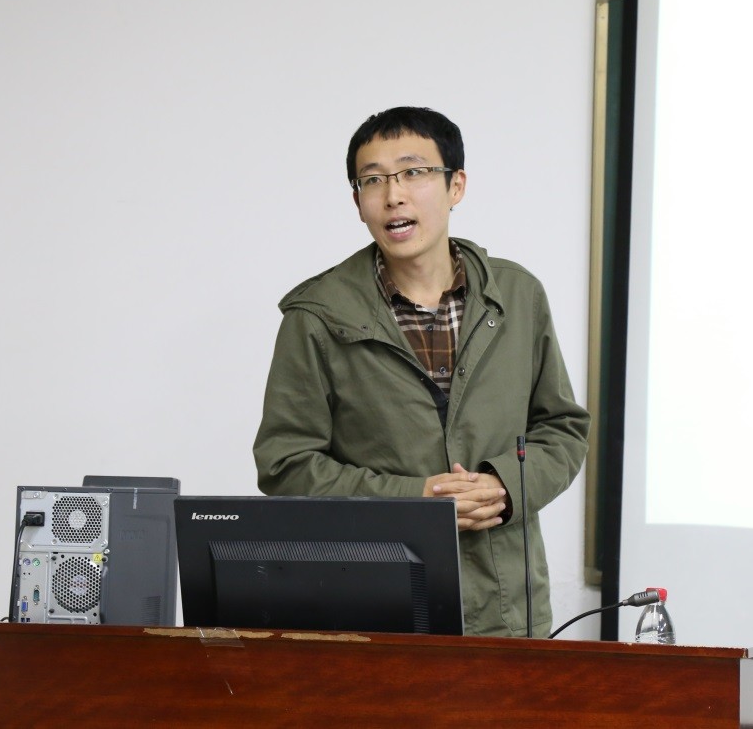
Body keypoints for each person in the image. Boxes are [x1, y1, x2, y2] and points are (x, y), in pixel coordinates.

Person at [252, 106, 590, 637]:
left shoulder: (517, 295)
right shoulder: (316, 316)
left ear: (456, 186)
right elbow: (285, 464)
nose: (394, 195)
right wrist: (415, 500)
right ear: (357, 202)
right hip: (375, 610)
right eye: (373, 180)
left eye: (413, 172)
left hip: (506, 612)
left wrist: (506, 486)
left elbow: (563, 429)